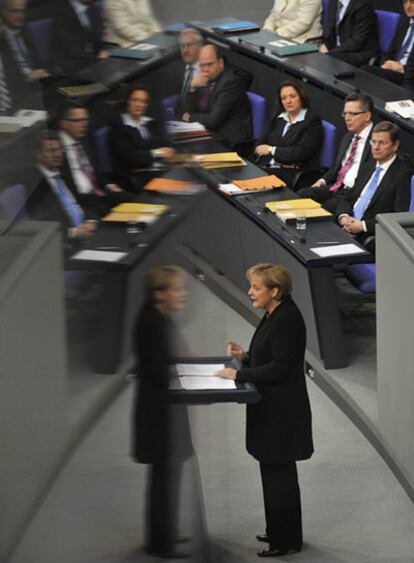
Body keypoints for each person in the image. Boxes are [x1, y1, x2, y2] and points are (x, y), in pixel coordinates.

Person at [217, 263, 313, 558]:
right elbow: (271, 355)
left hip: (282, 413)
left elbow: (282, 367)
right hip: (272, 409)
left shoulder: (286, 319)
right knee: (273, 473)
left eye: (256, 288)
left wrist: (240, 374)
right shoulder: (275, 313)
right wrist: (245, 357)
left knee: (279, 475)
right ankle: (278, 531)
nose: (250, 292)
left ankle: (286, 541)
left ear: (275, 291)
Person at [132, 265, 192, 559]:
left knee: (168, 476)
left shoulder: (157, 316)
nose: (183, 294)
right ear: (159, 294)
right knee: (163, 479)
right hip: (158, 416)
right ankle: (160, 543)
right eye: (177, 289)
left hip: (164, 410)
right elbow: (157, 370)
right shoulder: (151, 322)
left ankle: (165, 532)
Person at [335, 121, 413, 255]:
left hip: (371, 233)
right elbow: (348, 196)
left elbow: (397, 215)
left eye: (382, 143)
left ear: (395, 146)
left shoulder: (403, 174)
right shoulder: (369, 165)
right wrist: (344, 217)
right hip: (349, 224)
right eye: (373, 142)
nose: (375, 147)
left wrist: (363, 226)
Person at [56, 99, 132, 216]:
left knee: (133, 201)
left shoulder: (84, 140)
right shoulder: (55, 149)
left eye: (85, 120)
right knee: (112, 217)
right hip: (82, 201)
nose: (84, 124)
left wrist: (109, 185)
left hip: (100, 192)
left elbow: (95, 172)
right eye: (77, 121)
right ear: (63, 123)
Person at [297, 93, 374, 209]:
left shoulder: (377, 141)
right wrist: (322, 181)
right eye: (345, 113)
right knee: (302, 195)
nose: (347, 118)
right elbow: (337, 167)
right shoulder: (348, 137)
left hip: (353, 194)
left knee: (324, 209)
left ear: (367, 116)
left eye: (353, 113)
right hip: (336, 187)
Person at [26, 130, 97, 254]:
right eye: (51, 151)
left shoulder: (64, 176)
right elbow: (42, 223)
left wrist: (91, 221)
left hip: (86, 234)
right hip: (64, 245)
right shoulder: (33, 185)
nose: (58, 154)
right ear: (38, 154)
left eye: (60, 150)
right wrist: (73, 232)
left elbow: (83, 204)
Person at [254, 79, 323, 189]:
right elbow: (260, 144)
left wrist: (272, 150)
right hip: (267, 164)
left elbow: (299, 153)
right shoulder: (278, 116)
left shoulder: (312, 121)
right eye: (284, 98)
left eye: (292, 96)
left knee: (254, 179)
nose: (288, 101)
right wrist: (265, 150)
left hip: (291, 173)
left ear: (301, 96)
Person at [182, 43, 252, 148]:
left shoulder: (231, 82)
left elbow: (213, 120)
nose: (205, 70)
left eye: (209, 64)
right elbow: (190, 110)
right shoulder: (204, 79)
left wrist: (190, 117)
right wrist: (192, 87)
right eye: (202, 65)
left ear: (221, 63)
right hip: (209, 133)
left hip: (229, 141)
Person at [110, 84, 174, 192]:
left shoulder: (149, 123)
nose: (139, 105)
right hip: (137, 176)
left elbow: (161, 141)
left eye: (144, 102)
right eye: (135, 100)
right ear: (127, 102)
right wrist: (157, 153)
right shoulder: (119, 127)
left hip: (158, 169)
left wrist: (170, 149)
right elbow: (129, 157)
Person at [0, 0, 49, 107]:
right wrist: (28, 78)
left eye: (22, 12)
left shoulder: (25, 30)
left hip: (38, 82)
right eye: (15, 11)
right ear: (3, 12)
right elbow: (7, 79)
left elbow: (39, 60)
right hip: (19, 91)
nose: (20, 16)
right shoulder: (2, 38)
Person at [49, 0, 109, 75]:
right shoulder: (62, 13)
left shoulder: (90, 7)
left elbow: (98, 35)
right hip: (71, 62)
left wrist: (102, 51)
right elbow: (71, 49)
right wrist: (95, 59)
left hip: (90, 56)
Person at [363, 0, 414, 86]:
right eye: (405, 2)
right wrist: (386, 64)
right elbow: (390, 51)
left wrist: (402, 68)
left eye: (412, 2)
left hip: (409, 75)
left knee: (366, 71)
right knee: (364, 72)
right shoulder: (404, 23)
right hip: (395, 70)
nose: (408, 6)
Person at [320, 0, 379, 66]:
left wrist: (330, 53)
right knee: (314, 56)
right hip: (339, 50)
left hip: (360, 52)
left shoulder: (363, 5)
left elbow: (357, 41)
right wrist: (324, 44)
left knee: (325, 61)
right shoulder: (334, 2)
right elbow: (330, 28)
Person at [176, 28, 203, 117]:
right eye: (182, 46)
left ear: (200, 46)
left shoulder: (207, 70)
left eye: (189, 45)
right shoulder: (176, 70)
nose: (185, 50)